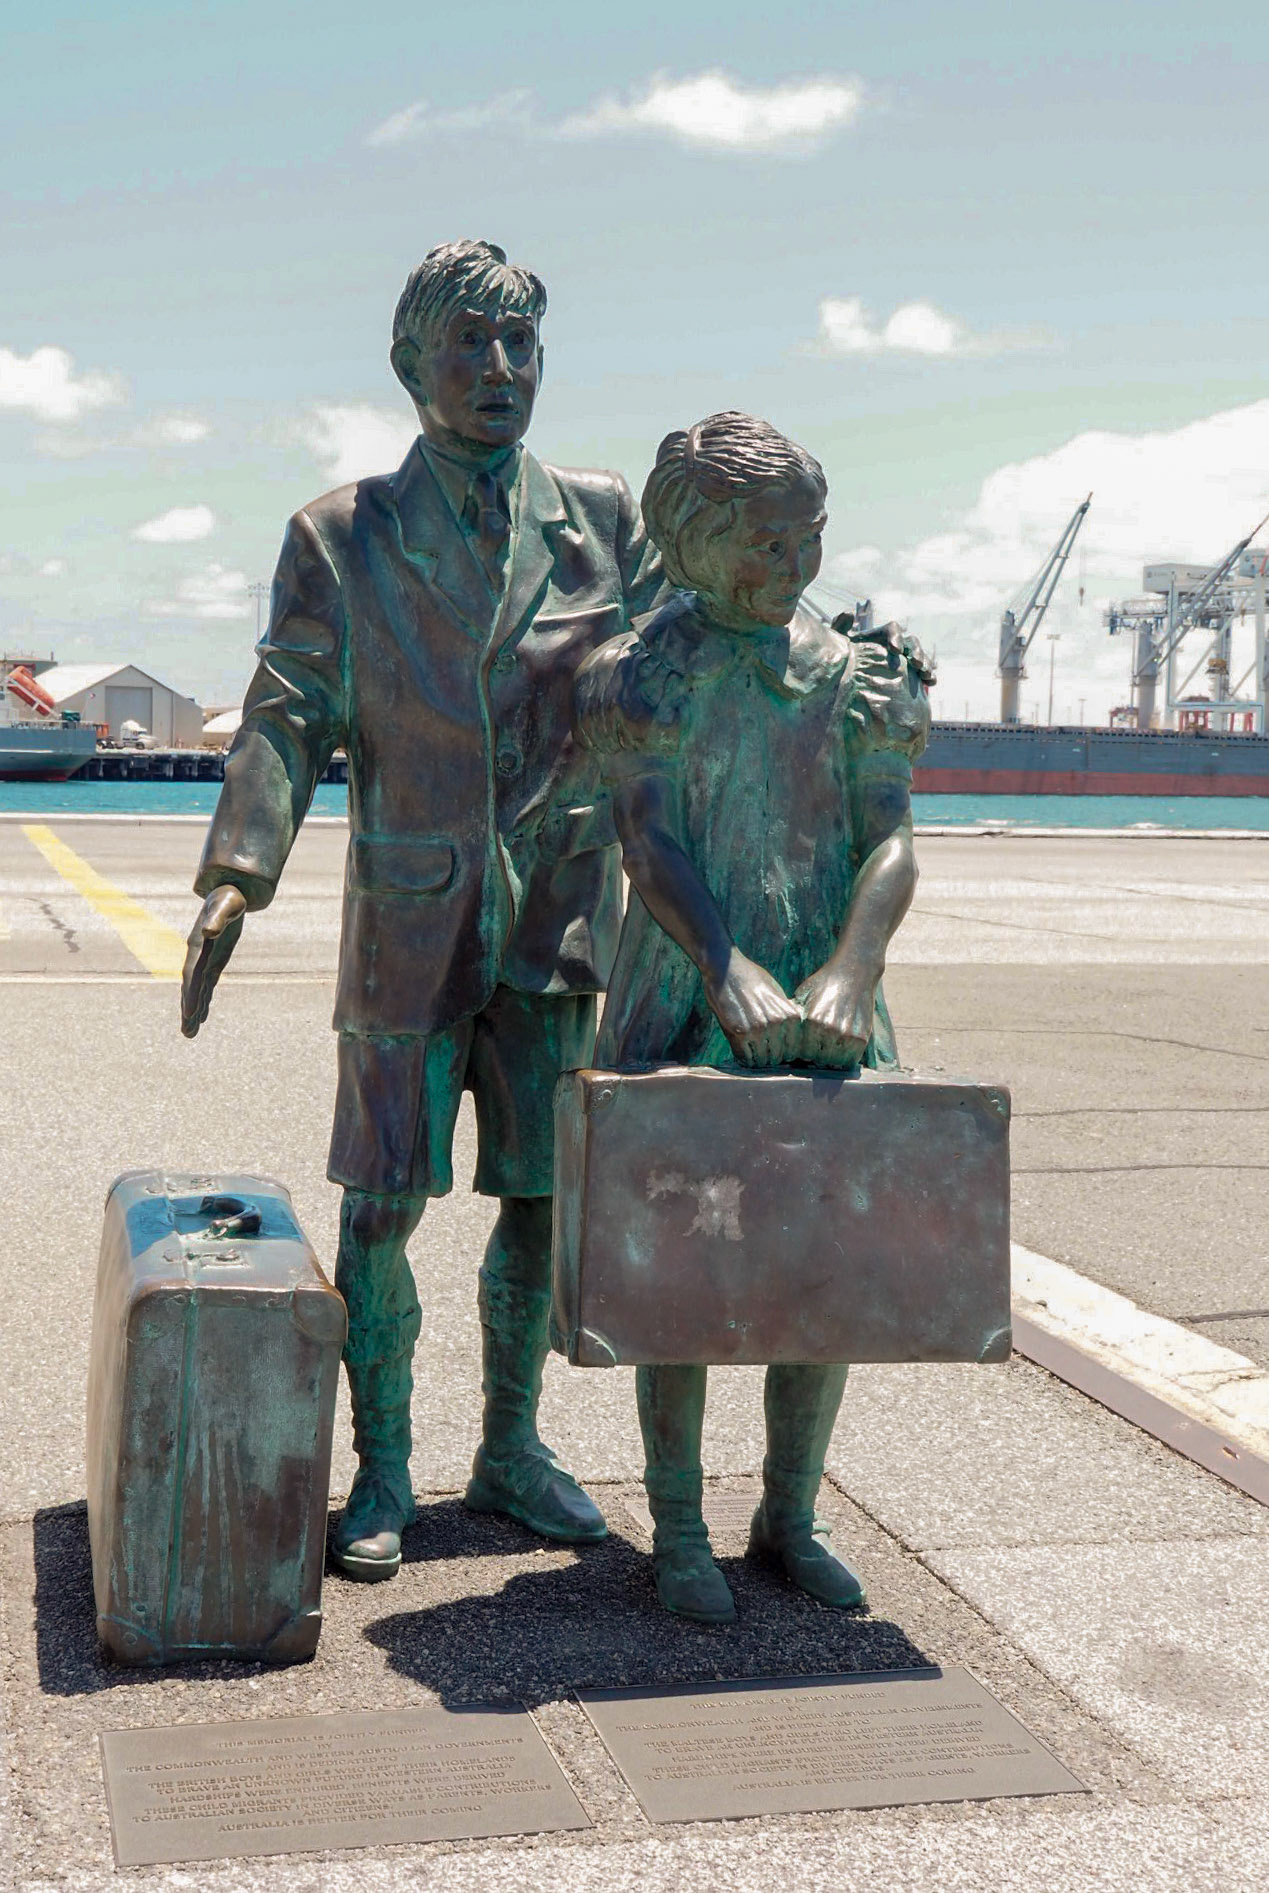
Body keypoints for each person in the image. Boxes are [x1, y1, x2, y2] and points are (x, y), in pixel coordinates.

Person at [180, 240, 663, 1582]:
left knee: (541, 1202)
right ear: (409, 366)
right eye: (468, 344)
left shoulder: (606, 519)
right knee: (381, 1206)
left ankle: (510, 1446)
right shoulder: (341, 534)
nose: (499, 370)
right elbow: (287, 714)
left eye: (520, 345)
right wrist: (235, 875)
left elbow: (689, 670)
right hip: (407, 927)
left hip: (559, 923)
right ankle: (382, 1464)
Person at [575, 411, 932, 1623]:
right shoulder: (639, 671)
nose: (790, 566)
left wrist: (852, 969)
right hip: (685, 986)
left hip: (827, 992)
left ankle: (790, 1511)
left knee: (820, 1267)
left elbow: (889, 840)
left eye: (805, 539)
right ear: (686, 543)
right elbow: (647, 837)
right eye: (762, 545)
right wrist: (723, 966)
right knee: (676, 1266)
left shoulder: (861, 673)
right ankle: (677, 1522)